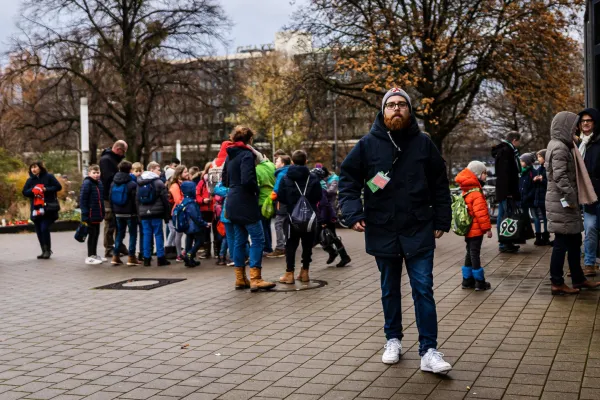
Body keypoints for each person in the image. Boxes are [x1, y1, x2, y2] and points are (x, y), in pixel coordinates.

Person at [339, 88, 452, 373]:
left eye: (402, 104)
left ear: (409, 110)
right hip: (382, 227)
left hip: (418, 226)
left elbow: (440, 183)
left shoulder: (424, 143)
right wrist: (353, 213)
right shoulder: (367, 144)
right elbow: (348, 180)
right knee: (389, 288)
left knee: (423, 288)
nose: (397, 108)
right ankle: (393, 339)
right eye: (391, 105)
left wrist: (442, 219)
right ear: (383, 111)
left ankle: (429, 350)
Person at [546, 111, 600, 295]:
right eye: (574, 124)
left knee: (575, 240)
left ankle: (578, 279)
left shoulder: (563, 145)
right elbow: (560, 177)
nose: (576, 128)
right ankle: (557, 282)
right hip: (563, 204)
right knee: (561, 242)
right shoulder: (560, 147)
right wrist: (570, 198)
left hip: (564, 203)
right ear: (565, 126)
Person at [222, 125, 275, 292]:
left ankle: (240, 278)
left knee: (239, 240)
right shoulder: (246, 155)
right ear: (250, 139)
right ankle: (256, 278)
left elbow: (225, 180)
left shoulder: (229, 156)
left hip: (232, 200)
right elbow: (248, 180)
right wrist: (256, 190)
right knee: (258, 239)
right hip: (246, 202)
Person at [277, 151, 323, 284]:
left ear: (292, 162)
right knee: (307, 245)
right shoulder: (313, 178)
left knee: (291, 244)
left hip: (292, 217)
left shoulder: (286, 178)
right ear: (305, 161)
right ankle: (305, 272)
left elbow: (281, 197)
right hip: (310, 217)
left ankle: (289, 274)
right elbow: (318, 196)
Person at [455, 161, 492, 291]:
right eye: (484, 173)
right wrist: (487, 229)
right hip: (476, 230)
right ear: (477, 174)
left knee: (469, 253)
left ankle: (467, 280)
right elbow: (481, 213)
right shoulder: (476, 193)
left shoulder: (466, 190)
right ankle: (479, 281)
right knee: (475, 253)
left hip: (468, 228)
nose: (486, 176)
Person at [312, 167, 352, 268]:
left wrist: (322, 220)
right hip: (325, 216)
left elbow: (324, 205)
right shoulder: (320, 186)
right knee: (330, 237)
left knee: (323, 237)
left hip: (326, 217)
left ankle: (337, 254)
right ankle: (340, 255)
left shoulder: (320, 189)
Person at [22, 161, 62, 259]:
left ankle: (48, 250)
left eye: (35, 167)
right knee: (39, 230)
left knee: (44, 228)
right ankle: (43, 251)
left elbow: (58, 187)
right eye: (32, 168)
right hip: (36, 209)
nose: (33, 169)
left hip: (48, 208)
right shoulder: (30, 180)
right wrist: (33, 190)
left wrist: (45, 189)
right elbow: (24, 192)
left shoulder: (49, 177)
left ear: (40, 167)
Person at [577, 108, 600, 276]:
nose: (585, 123)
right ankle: (589, 263)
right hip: (587, 195)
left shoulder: (598, 143)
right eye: (583, 121)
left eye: (589, 120)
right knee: (590, 228)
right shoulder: (578, 145)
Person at [137, 161, 171, 267]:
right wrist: (167, 214)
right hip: (156, 213)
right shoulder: (159, 183)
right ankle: (161, 258)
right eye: (158, 169)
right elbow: (165, 200)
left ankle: (146, 258)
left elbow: (137, 199)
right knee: (158, 234)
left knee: (146, 235)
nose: (160, 172)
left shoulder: (140, 181)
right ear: (152, 170)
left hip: (144, 214)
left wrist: (139, 212)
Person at [491, 132, 521, 253]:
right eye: (519, 142)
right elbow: (506, 173)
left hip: (503, 189)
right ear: (514, 140)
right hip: (507, 190)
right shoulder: (507, 151)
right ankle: (506, 242)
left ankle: (505, 241)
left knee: (503, 215)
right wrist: (509, 191)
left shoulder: (502, 150)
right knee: (506, 215)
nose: (519, 144)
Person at [99, 140, 128, 258]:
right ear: (118, 150)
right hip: (108, 196)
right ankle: (109, 247)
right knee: (110, 221)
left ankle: (118, 244)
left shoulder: (112, 159)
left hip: (114, 194)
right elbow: (108, 178)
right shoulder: (107, 160)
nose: (124, 155)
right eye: (124, 152)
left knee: (118, 222)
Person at [110, 160, 140, 266]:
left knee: (119, 234)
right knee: (132, 234)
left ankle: (115, 256)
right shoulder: (132, 184)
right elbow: (135, 200)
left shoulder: (113, 183)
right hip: (130, 213)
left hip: (118, 213)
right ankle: (131, 257)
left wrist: (114, 211)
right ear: (130, 170)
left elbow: (110, 198)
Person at [179, 181, 210, 267]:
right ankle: (189, 254)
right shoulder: (191, 203)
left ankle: (189, 261)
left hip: (187, 226)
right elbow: (195, 216)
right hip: (194, 226)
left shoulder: (184, 200)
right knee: (200, 240)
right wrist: (204, 223)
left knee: (189, 241)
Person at [80, 165, 106, 265]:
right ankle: (90, 256)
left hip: (97, 214)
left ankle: (94, 254)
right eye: (94, 173)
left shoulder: (99, 183)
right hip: (90, 214)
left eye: (97, 173)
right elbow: (83, 200)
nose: (96, 175)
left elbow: (101, 200)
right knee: (92, 235)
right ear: (89, 173)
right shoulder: (87, 183)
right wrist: (85, 214)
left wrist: (102, 212)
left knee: (96, 234)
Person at [267, 154, 291, 258]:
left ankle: (280, 248)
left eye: (277, 161)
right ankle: (288, 245)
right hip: (289, 202)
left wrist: (269, 199)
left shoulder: (281, 174)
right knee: (286, 224)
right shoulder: (290, 171)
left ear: (282, 163)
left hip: (281, 202)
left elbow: (276, 191)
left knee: (278, 224)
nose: (275, 163)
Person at [254, 151, 276, 256]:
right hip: (271, 198)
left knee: (263, 225)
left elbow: (256, 187)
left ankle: (267, 247)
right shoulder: (271, 165)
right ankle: (269, 245)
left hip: (262, 200)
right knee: (267, 224)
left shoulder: (257, 169)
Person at [166, 165, 189, 262]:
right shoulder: (175, 186)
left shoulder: (184, 183)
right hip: (179, 212)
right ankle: (179, 254)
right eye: (185, 172)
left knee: (187, 233)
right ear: (179, 174)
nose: (187, 174)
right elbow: (178, 200)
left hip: (185, 210)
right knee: (178, 233)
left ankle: (184, 252)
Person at [196, 162, 216, 259]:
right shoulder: (202, 182)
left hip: (214, 209)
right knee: (206, 231)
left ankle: (217, 251)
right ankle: (207, 251)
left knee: (216, 231)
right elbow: (197, 196)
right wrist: (203, 200)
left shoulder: (217, 181)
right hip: (204, 209)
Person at [519, 152, 539, 244]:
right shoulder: (521, 172)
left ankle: (538, 235)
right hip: (523, 199)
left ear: (526, 162)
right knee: (523, 217)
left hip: (530, 198)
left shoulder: (533, 172)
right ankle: (522, 236)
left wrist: (528, 196)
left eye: (522, 161)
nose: (520, 162)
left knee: (535, 216)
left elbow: (534, 187)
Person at [534, 150, 550, 245]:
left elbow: (550, 183)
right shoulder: (539, 169)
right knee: (543, 217)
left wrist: (542, 179)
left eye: (540, 156)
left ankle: (546, 236)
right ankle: (543, 237)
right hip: (539, 196)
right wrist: (535, 180)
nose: (538, 159)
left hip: (545, 196)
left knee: (546, 218)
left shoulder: (547, 169)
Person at [131, 162, 145, 259]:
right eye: (137, 171)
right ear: (132, 171)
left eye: (140, 171)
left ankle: (141, 252)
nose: (139, 173)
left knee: (141, 232)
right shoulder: (134, 183)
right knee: (137, 233)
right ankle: (139, 252)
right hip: (136, 210)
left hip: (138, 210)